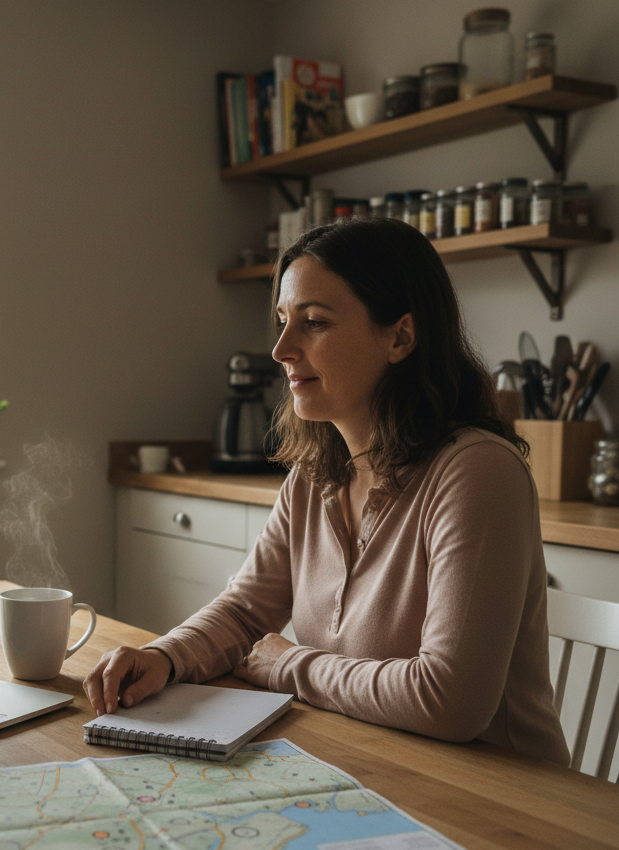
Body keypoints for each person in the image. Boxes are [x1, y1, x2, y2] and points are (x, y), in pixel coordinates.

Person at [85, 217, 569, 766]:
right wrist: (164, 657)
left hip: (507, 802)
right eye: (282, 321)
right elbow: (245, 613)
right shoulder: (316, 476)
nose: (281, 349)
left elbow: (450, 699)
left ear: (401, 336)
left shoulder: (478, 472)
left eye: (312, 322)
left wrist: (290, 665)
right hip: (370, 763)